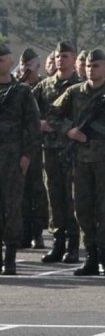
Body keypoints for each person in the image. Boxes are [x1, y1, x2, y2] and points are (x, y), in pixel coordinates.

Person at [48, 49, 105, 276]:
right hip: (81, 162)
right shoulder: (74, 93)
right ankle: (90, 256)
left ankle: (103, 259)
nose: (91, 69)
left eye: (96, 66)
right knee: (82, 210)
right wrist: (70, 131)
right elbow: (52, 115)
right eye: (87, 65)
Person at [34, 42, 83, 264]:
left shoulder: (82, 88)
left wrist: (61, 126)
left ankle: (73, 245)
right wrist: (40, 123)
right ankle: (58, 242)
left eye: (65, 56)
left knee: (72, 198)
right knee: (54, 198)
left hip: (74, 152)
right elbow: (25, 110)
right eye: (57, 56)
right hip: (51, 151)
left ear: (74, 59)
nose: (61, 60)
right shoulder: (44, 87)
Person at [0, 44, 41, 275]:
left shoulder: (22, 91)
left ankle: (11, 257)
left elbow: (33, 127)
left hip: (13, 158)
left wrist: (27, 155)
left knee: (12, 207)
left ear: (10, 61)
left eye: (2, 60)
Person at [17, 47, 49, 250]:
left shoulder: (43, 89)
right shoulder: (14, 88)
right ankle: (21, 232)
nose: (27, 70)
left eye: (31, 67)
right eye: (23, 66)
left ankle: (37, 233)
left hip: (37, 147)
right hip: (15, 147)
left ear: (38, 67)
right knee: (17, 193)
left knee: (36, 190)